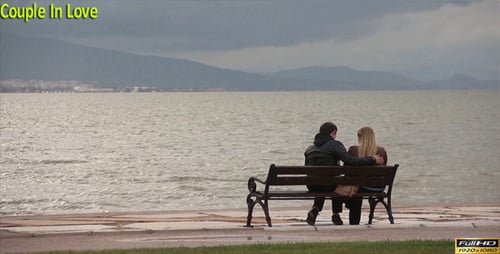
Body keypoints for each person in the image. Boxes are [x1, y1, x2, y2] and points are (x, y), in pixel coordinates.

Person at [304, 122, 385, 226]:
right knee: (337, 182)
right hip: (330, 184)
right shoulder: (334, 144)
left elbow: (307, 170)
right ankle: (336, 214)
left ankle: (315, 209)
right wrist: (372, 159)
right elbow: (349, 160)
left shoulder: (309, 149)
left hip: (312, 185)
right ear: (333, 132)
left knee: (325, 181)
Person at [346, 126, 388, 225]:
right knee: (356, 188)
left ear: (360, 138)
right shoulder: (382, 151)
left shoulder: (354, 150)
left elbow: (347, 170)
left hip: (361, 187)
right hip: (379, 187)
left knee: (355, 190)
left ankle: (354, 222)